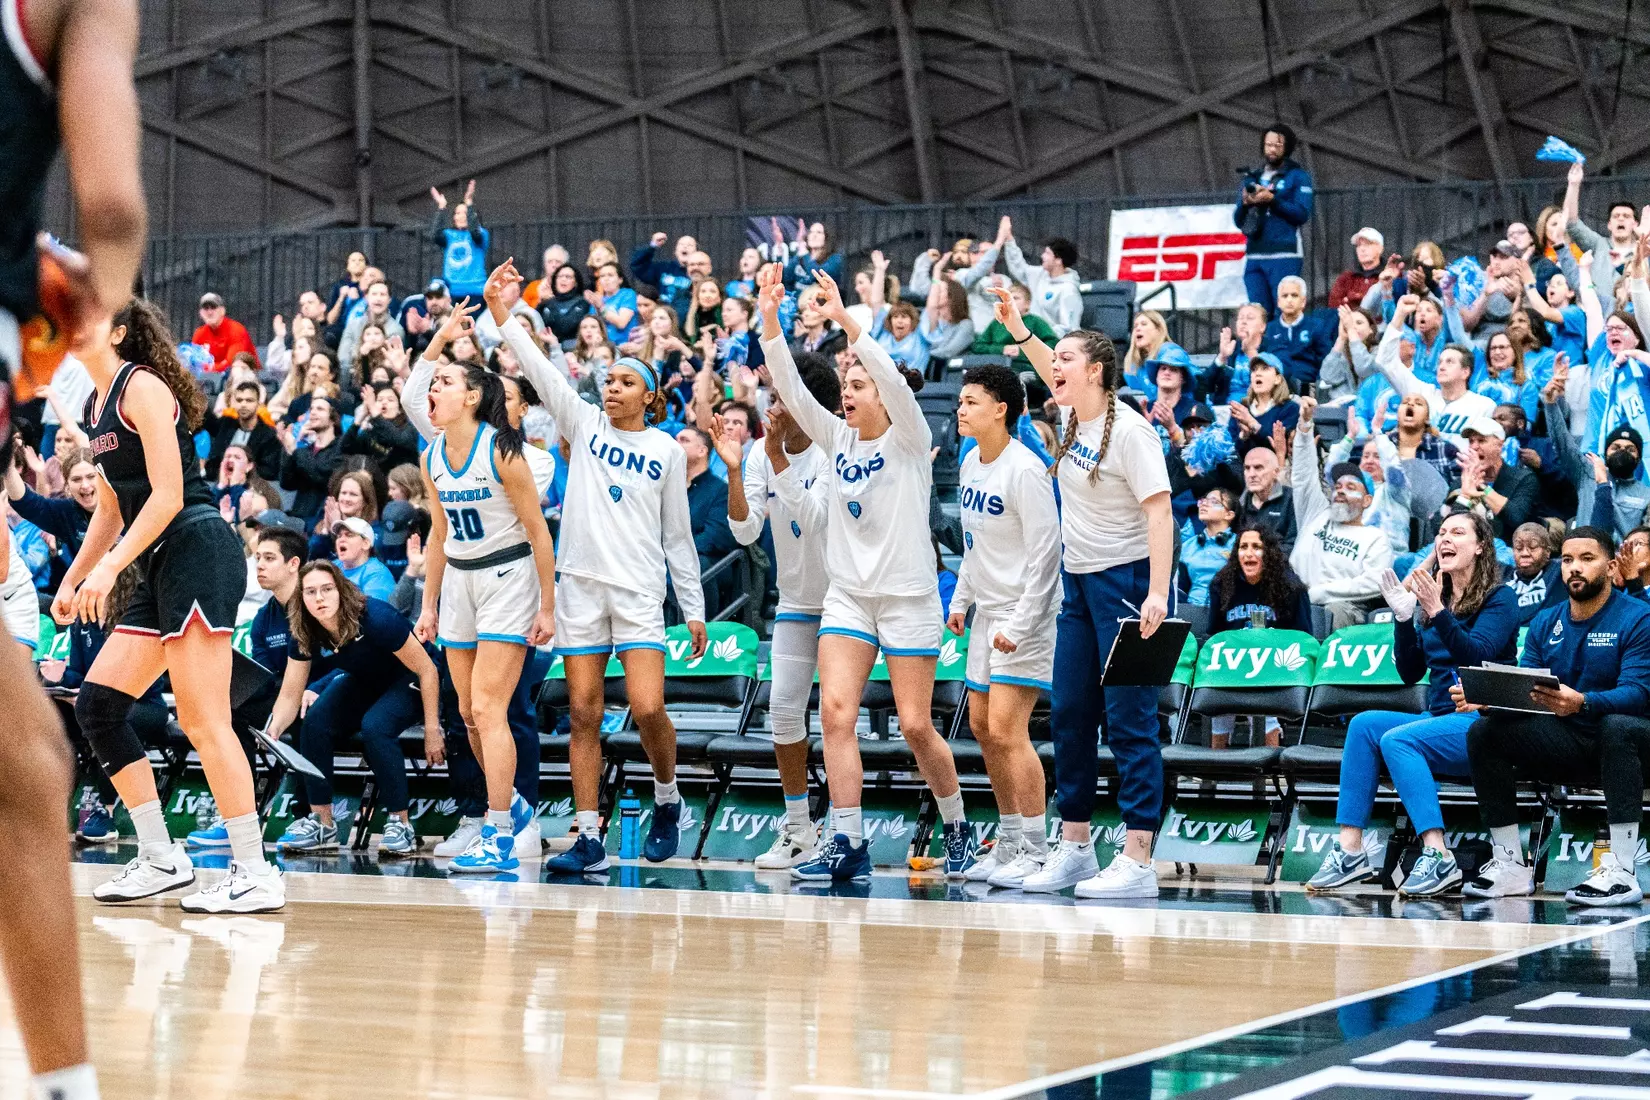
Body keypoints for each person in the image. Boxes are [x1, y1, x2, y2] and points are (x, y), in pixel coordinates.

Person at [53, 298, 284, 918]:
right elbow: (109, 508)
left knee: (205, 720)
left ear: (121, 332)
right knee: (99, 707)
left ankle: (255, 872)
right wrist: (74, 578)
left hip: (197, 546)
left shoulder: (144, 387)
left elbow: (168, 495)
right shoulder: (94, 406)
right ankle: (160, 855)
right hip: (159, 560)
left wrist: (107, 569)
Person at [752, 262, 970, 883]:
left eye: (858, 384)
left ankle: (956, 823)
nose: (846, 394)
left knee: (915, 725)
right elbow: (794, 392)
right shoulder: (835, 439)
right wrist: (771, 322)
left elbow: (891, 385)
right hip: (848, 599)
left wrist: (848, 322)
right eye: (844, 385)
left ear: (882, 389)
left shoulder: (908, 435)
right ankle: (847, 841)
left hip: (906, 599)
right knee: (836, 714)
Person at [489, 260, 708, 876]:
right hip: (581, 587)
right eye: (607, 380)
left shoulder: (666, 450)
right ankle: (587, 837)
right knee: (582, 710)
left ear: (650, 396)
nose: (610, 388)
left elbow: (678, 537)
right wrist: (503, 313)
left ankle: (668, 797)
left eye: (624, 382)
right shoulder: (583, 424)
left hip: (639, 591)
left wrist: (692, 609)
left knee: (645, 706)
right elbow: (538, 366)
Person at [985, 284, 1175, 899]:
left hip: (1126, 585)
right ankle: (1074, 848)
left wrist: (1157, 592)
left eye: (1067, 360)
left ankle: (1139, 857)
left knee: (1130, 721)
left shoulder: (1133, 433)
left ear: (1095, 372)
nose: (1053, 369)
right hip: (1078, 584)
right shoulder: (1071, 414)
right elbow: (1044, 364)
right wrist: (1017, 326)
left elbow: (1160, 514)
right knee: (1069, 714)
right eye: (1055, 360)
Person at [1307, 511, 1519, 896]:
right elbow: (1409, 672)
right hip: (1437, 719)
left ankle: (1438, 856)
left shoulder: (1499, 598)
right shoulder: (1434, 596)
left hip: (1485, 724)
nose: (1445, 539)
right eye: (1440, 532)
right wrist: (1404, 618)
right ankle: (1350, 851)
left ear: (1481, 547)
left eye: (1458, 532)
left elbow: (1478, 654)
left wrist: (1436, 611)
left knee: (1399, 739)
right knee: (1364, 725)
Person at [413, 359, 556, 873]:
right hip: (459, 580)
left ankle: (498, 832)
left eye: (445, 381)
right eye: (434, 382)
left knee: (491, 709)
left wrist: (547, 606)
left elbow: (540, 533)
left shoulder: (502, 451)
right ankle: (513, 804)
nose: (434, 387)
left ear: (473, 397)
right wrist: (428, 605)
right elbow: (437, 534)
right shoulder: (431, 456)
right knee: (469, 713)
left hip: (507, 578)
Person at [1462, 527, 1650, 906]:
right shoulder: (1547, 622)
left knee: (1617, 727)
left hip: (1635, 745)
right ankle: (1511, 865)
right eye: (1567, 561)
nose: (1574, 568)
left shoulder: (1639, 618)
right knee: (1485, 732)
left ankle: (1624, 872)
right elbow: (1527, 689)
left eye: (1586, 558)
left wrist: (1582, 702)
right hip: (1573, 742)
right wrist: (1489, 699)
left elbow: (1639, 693)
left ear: (1611, 565)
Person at [714, 354, 841, 868]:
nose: (773, 404)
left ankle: (844, 827)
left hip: (845, 603)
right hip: (795, 601)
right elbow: (744, 531)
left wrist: (774, 456)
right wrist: (733, 469)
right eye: (772, 394)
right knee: (784, 710)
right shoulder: (761, 454)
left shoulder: (837, 450)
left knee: (838, 718)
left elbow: (815, 522)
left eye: (783, 396)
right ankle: (797, 829)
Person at [943, 363, 1060, 887]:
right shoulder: (971, 463)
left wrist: (1022, 621)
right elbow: (973, 544)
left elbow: (1046, 555)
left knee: (1008, 731)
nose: (961, 408)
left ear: (1001, 409)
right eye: (961, 400)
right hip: (987, 612)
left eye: (971, 401)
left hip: (1025, 614)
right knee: (982, 730)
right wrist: (962, 601)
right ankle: (1009, 839)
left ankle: (1037, 848)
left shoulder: (1027, 469)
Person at [270, 563, 442, 857]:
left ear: (341, 590)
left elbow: (427, 670)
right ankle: (323, 824)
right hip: (366, 679)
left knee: (375, 726)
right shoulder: (304, 627)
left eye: (326, 589)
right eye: (310, 592)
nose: (319, 598)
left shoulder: (375, 617)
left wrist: (432, 728)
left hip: (411, 677)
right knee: (315, 723)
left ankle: (400, 824)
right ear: (301, 597)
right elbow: (290, 694)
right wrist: (272, 731)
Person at [1289, 399, 1394, 630]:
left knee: (1335, 610)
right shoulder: (1315, 512)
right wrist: (1305, 426)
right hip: (1294, 601)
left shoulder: (1375, 538)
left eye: (1351, 487)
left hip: (1341, 608)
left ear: (1367, 501)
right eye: (1338, 486)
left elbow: (1375, 582)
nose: (1341, 491)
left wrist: (1317, 593)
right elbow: (1303, 473)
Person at [1374, 295, 1495, 442]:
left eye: (1450, 362)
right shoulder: (1421, 394)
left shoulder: (1484, 406)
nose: (1442, 366)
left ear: (1465, 372)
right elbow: (1385, 362)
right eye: (1440, 362)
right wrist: (1399, 315)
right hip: (1422, 463)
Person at [1234, 124, 1314, 319]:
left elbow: (1302, 214)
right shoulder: (1253, 177)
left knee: (1284, 312)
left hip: (1284, 254)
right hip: (1254, 255)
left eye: (1278, 145)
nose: (1272, 149)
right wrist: (1245, 204)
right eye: (1268, 144)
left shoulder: (1298, 176)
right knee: (1257, 315)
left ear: (1287, 147)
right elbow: (1238, 221)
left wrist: (1273, 200)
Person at [1208, 526, 1313, 636]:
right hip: (1232, 652)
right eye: (1243, 547)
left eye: (1256, 547)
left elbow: (1303, 640)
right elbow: (1214, 637)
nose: (1248, 554)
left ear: (1269, 553)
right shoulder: (1221, 584)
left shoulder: (1292, 588)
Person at [1452, 417, 1538, 541]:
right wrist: (1465, 495)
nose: (1474, 447)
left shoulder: (1524, 478)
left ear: (1500, 444)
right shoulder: (1462, 482)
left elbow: (1517, 519)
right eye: (1471, 441)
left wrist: (1482, 487)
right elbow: (1444, 525)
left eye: (1481, 440)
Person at [1000, 218, 1082, 336]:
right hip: (1028, 339)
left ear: (1058, 261)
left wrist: (1042, 337)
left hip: (1049, 344)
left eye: (1047, 253)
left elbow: (1069, 328)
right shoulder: (1039, 274)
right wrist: (1009, 240)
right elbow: (1019, 268)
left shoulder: (1069, 290)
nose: (1042, 256)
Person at [206, 378, 282, 480]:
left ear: (259, 404)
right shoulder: (226, 424)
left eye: (249, 400)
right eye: (239, 400)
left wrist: (239, 471)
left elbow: (268, 472)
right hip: (219, 484)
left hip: (252, 489)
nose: (243, 404)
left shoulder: (269, 435)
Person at [1225, 352, 1298, 457]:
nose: (1257, 373)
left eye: (1265, 368)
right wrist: (1243, 437)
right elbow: (1230, 452)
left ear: (1277, 379)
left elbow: (1279, 448)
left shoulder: (1290, 408)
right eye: (1254, 370)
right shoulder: (1242, 409)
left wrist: (1252, 423)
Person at [430, 179, 488, 300]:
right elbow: (435, 235)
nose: (461, 216)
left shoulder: (482, 233)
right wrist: (441, 208)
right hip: (451, 292)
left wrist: (469, 203)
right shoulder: (449, 235)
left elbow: (475, 233)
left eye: (465, 213)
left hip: (475, 291)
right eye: (457, 213)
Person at [1236, 443, 1297, 553]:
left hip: (1280, 566)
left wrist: (1262, 558)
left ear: (1276, 472)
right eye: (1247, 468)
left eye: (1258, 468)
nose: (1251, 474)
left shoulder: (1291, 499)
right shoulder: (1241, 503)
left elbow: (1293, 544)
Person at [1508, 521, 1564, 625]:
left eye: (1533, 547)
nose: (1525, 553)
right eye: (1519, 548)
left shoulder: (1559, 571)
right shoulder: (1502, 575)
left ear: (1547, 551)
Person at [330, 516, 394, 602]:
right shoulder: (332, 566)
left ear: (366, 544)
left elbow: (372, 612)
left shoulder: (378, 574)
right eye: (339, 536)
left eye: (349, 535)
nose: (341, 540)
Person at [191, 292, 257, 371]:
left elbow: (231, 365)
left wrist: (207, 367)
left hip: (246, 377)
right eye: (206, 308)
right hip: (210, 379)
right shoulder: (199, 333)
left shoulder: (236, 330)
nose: (209, 312)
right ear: (200, 313)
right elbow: (194, 364)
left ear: (222, 311)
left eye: (213, 307)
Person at [1329, 228, 1387, 310]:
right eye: (1359, 245)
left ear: (1380, 249)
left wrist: (1350, 299)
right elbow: (1334, 305)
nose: (1362, 249)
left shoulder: (1389, 275)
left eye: (1367, 244)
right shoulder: (1346, 277)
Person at [537, 263, 591, 346]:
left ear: (575, 282)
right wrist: (541, 302)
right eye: (560, 276)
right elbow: (534, 323)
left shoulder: (583, 303)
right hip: (546, 347)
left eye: (568, 277)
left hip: (572, 350)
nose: (563, 279)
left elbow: (565, 327)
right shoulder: (546, 303)